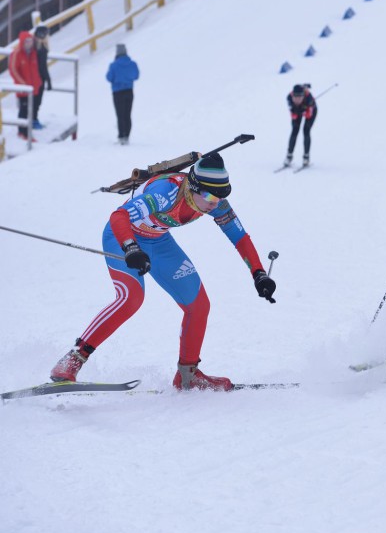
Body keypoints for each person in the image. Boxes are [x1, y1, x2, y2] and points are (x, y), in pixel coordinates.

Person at [48, 152, 278, 391]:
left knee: (199, 306)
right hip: (122, 237)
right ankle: (72, 360)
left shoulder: (215, 202)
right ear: (194, 187)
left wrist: (258, 273)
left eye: (223, 195)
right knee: (131, 299)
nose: (216, 202)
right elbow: (119, 216)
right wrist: (131, 247)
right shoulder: (165, 193)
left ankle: (188, 374)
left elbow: (239, 237)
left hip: (158, 242)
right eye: (210, 195)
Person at [8, 30, 42, 141]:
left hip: (33, 88)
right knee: (23, 110)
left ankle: (27, 131)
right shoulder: (17, 53)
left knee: (31, 110)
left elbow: (36, 69)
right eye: (26, 41)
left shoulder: (33, 53)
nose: (29, 43)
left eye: (30, 41)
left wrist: (38, 82)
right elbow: (13, 70)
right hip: (23, 89)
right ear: (22, 42)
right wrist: (22, 83)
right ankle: (23, 133)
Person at [106, 43, 140, 145]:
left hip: (117, 93)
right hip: (129, 91)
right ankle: (127, 136)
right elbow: (136, 76)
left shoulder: (113, 65)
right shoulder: (132, 64)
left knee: (120, 115)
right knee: (127, 114)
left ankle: (121, 136)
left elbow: (109, 78)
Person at [283, 83, 317, 168]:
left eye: (299, 97)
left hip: (310, 110)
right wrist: (298, 110)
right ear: (292, 96)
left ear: (303, 96)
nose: (297, 100)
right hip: (298, 111)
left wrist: (305, 110)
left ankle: (306, 157)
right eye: (295, 97)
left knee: (306, 131)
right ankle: (289, 156)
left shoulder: (309, 99)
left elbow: (309, 115)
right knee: (294, 131)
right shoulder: (289, 98)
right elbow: (293, 115)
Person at [33, 25, 53, 129]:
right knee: (36, 101)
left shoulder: (35, 46)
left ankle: (32, 119)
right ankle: (34, 120)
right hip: (39, 78)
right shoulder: (41, 48)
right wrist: (48, 80)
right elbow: (43, 66)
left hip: (34, 76)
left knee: (34, 100)